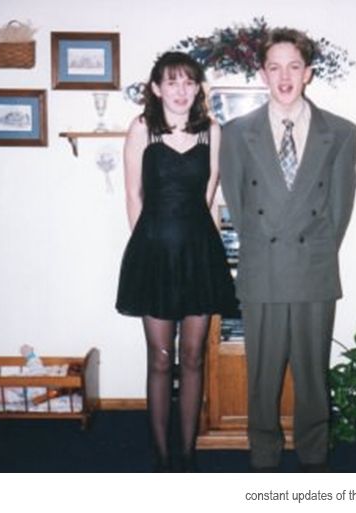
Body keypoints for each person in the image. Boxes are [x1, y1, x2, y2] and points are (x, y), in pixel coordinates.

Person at [219, 27, 356, 471]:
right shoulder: (236, 133)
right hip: (262, 266)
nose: (284, 77)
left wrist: (314, 249)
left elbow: (340, 209)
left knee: (313, 372)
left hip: (313, 266)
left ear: (308, 73)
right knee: (262, 375)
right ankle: (263, 454)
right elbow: (238, 203)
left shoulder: (340, 132)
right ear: (263, 74)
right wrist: (263, 246)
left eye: (294, 67)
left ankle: (314, 454)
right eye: (275, 67)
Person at [115, 52, 237, 472]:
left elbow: (207, 195)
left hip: (198, 255)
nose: (181, 91)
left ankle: (187, 453)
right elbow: (133, 196)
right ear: (156, 88)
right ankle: (161, 455)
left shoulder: (212, 131)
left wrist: (192, 239)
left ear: (198, 87)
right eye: (172, 82)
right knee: (161, 359)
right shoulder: (141, 129)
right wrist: (146, 250)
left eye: (188, 82)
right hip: (153, 254)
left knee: (194, 356)